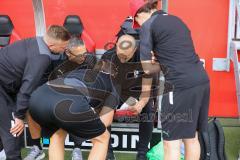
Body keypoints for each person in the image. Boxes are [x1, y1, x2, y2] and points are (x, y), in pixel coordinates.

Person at [129, 0, 210, 159]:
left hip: (179, 85)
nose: (139, 25)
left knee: (171, 141)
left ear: (138, 15)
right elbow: (178, 56)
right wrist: (161, 62)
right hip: (201, 80)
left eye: (136, 22)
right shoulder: (177, 20)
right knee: (191, 138)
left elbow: (146, 69)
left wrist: (156, 65)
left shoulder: (148, 26)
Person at [0, 25, 70, 160]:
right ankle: (33, 148)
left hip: (12, 87)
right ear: (51, 44)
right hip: (6, 89)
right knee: (13, 127)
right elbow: (27, 87)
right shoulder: (42, 57)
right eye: (62, 47)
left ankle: (40, 146)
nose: (64, 50)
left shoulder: (37, 42)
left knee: (42, 122)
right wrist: (19, 116)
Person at [28, 58, 119, 160]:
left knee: (57, 134)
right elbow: (105, 122)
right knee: (102, 138)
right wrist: (83, 129)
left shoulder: (78, 72)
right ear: (113, 76)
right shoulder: (112, 84)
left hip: (37, 98)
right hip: (69, 101)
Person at [24, 36, 97, 160]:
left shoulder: (91, 60)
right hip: (55, 95)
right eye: (79, 55)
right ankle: (37, 148)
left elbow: (95, 85)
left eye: (85, 53)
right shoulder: (54, 60)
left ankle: (77, 148)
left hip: (80, 97)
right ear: (67, 52)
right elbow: (43, 82)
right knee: (31, 107)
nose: (83, 57)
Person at [102, 34, 157, 160]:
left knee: (148, 109)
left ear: (135, 50)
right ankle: (108, 152)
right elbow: (108, 86)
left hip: (138, 91)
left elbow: (147, 90)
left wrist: (140, 104)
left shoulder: (145, 59)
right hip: (116, 90)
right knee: (104, 105)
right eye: (119, 54)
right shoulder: (108, 57)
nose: (122, 59)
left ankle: (142, 153)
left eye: (126, 57)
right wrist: (128, 101)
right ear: (116, 47)